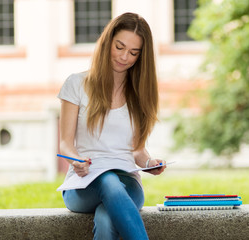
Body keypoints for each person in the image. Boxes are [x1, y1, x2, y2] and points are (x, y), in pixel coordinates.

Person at [57, 12, 166, 240]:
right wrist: (76, 162)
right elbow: (66, 144)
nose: (125, 57)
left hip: (127, 183)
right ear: (107, 42)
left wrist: (149, 163)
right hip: (83, 184)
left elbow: (137, 150)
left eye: (134, 52)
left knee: (107, 218)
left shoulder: (140, 94)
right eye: (120, 47)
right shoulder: (76, 84)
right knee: (107, 179)